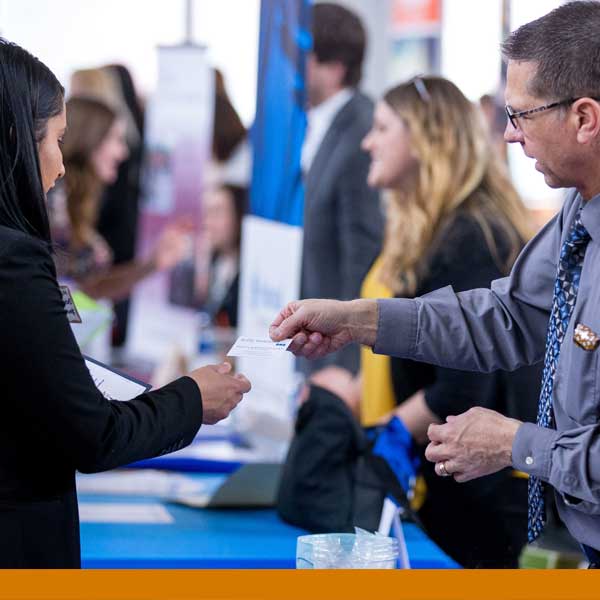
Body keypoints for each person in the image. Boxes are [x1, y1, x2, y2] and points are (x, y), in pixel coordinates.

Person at [270, 0, 600, 563]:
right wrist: (359, 320)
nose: (509, 135)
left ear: (584, 118)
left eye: (520, 115)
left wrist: (516, 444)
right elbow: (509, 316)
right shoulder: (578, 210)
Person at [0, 38, 251, 568]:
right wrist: (191, 399)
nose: (61, 167)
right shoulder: (15, 262)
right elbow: (93, 434)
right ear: (19, 139)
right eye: (56, 141)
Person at [305, 76, 539, 567]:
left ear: (424, 139)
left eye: (383, 128)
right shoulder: (422, 226)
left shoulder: (471, 233)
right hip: (444, 476)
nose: (368, 142)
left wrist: (379, 436)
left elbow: (462, 385)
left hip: (482, 497)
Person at [300, 2, 383, 375]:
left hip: (337, 355)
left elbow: (362, 254)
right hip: (314, 338)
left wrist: (345, 365)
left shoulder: (362, 132)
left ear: (334, 69)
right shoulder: (315, 123)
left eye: (304, 56)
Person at [58, 96, 187, 301]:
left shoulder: (76, 199)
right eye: (116, 139)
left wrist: (153, 263)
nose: (123, 153)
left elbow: (90, 287)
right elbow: (85, 287)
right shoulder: (56, 198)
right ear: (89, 137)